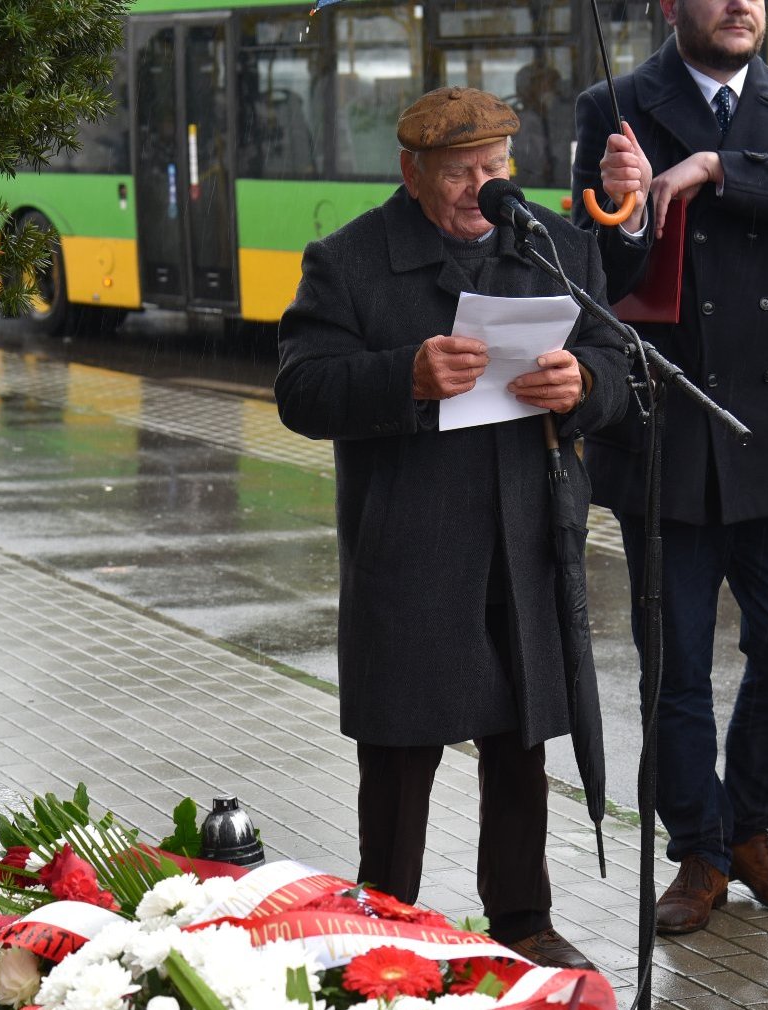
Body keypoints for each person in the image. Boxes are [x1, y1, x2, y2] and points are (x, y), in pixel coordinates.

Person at [275, 86, 630, 969]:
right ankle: (380, 925)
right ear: (412, 172)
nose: (484, 185)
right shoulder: (348, 261)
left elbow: (618, 360)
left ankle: (522, 920)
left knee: (520, 741)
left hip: (527, 535)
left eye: (497, 167)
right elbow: (301, 392)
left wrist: (582, 385)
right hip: (412, 542)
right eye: (461, 171)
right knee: (401, 752)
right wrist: (407, 375)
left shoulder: (551, 244)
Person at [569, 0, 768, 934]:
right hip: (671, 424)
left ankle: (749, 827)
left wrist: (717, 168)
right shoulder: (614, 104)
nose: (742, 4)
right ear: (670, 6)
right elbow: (591, 267)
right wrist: (623, 209)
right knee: (675, 666)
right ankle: (699, 851)